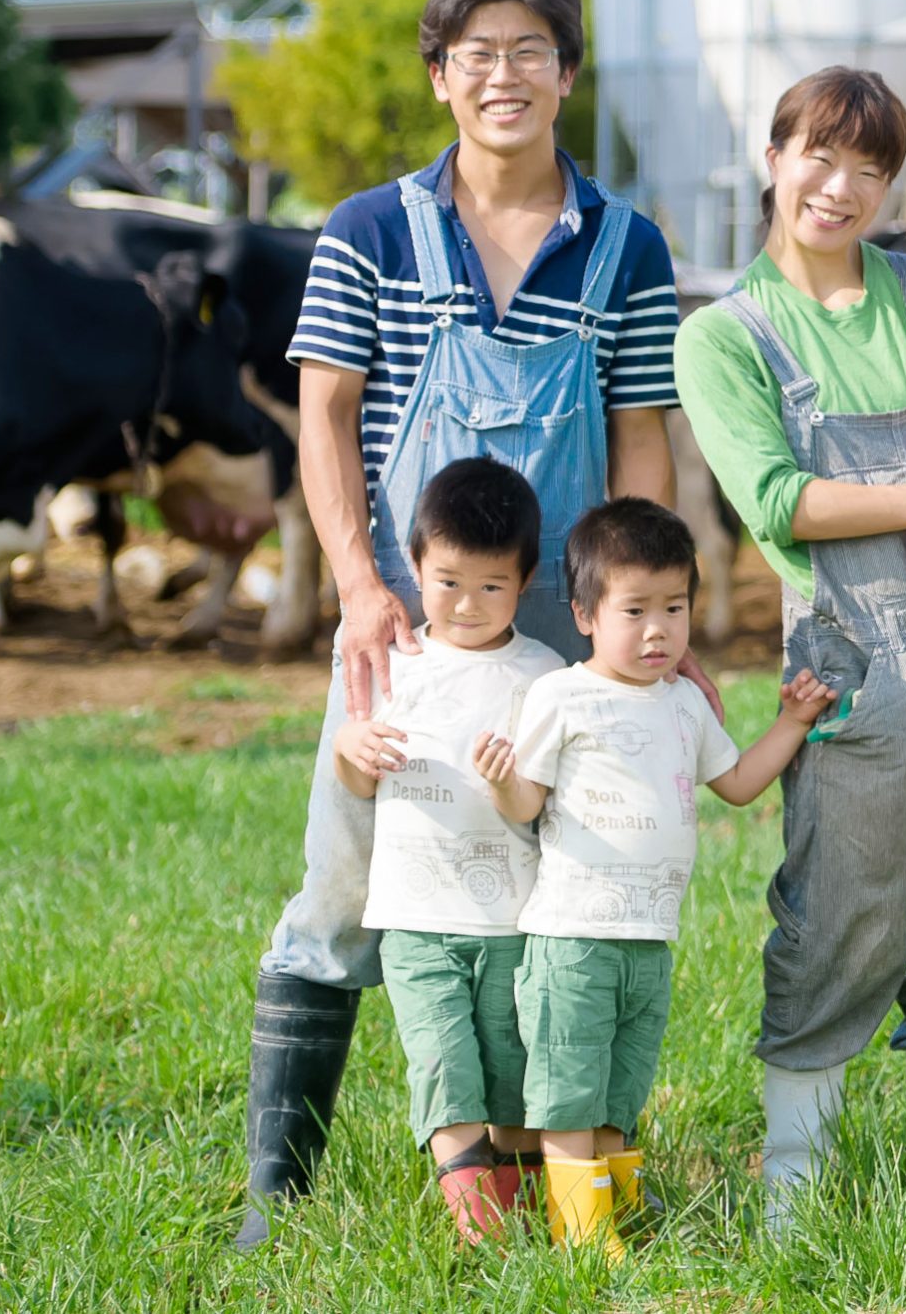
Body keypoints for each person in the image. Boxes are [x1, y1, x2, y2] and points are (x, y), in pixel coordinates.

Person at [237, 0, 714, 1251]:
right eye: (477, 54)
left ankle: (532, 1171)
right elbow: (325, 417)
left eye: (530, 51)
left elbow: (641, 435)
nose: (504, 75)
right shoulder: (369, 231)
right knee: (346, 888)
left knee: (544, 893)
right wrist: (357, 587)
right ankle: (276, 1197)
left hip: (565, 635)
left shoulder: (627, 245)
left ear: (568, 72)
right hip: (406, 625)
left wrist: (643, 620)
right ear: (441, 77)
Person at [673, 66, 906, 1224]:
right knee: (848, 900)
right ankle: (794, 1187)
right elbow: (776, 500)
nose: (840, 188)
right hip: (847, 651)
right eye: (820, 156)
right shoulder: (724, 336)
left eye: (870, 168)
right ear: (774, 157)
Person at [485, 498, 828, 1258]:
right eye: (634, 609)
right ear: (585, 615)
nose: (657, 630)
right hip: (574, 938)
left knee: (620, 1088)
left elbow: (736, 783)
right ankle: (581, 1235)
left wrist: (792, 724)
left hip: (649, 940)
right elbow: (526, 803)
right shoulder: (562, 696)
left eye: (674, 607)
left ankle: (622, 1206)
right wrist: (502, 780)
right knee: (570, 1088)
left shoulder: (685, 704)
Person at [332, 457, 566, 1245]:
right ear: (415, 564)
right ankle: (480, 1230)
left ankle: (524, 1209)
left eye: (492, 585)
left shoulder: (544, 676)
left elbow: (542, 803)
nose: (467, 604)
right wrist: (351, 750)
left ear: (526, 579)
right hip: (416, 914)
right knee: (441, 1059)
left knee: (511, 1068)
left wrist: (508, 782)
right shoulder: (396, 663)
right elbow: (358, 782)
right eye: (448, 582)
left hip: (513, 918)